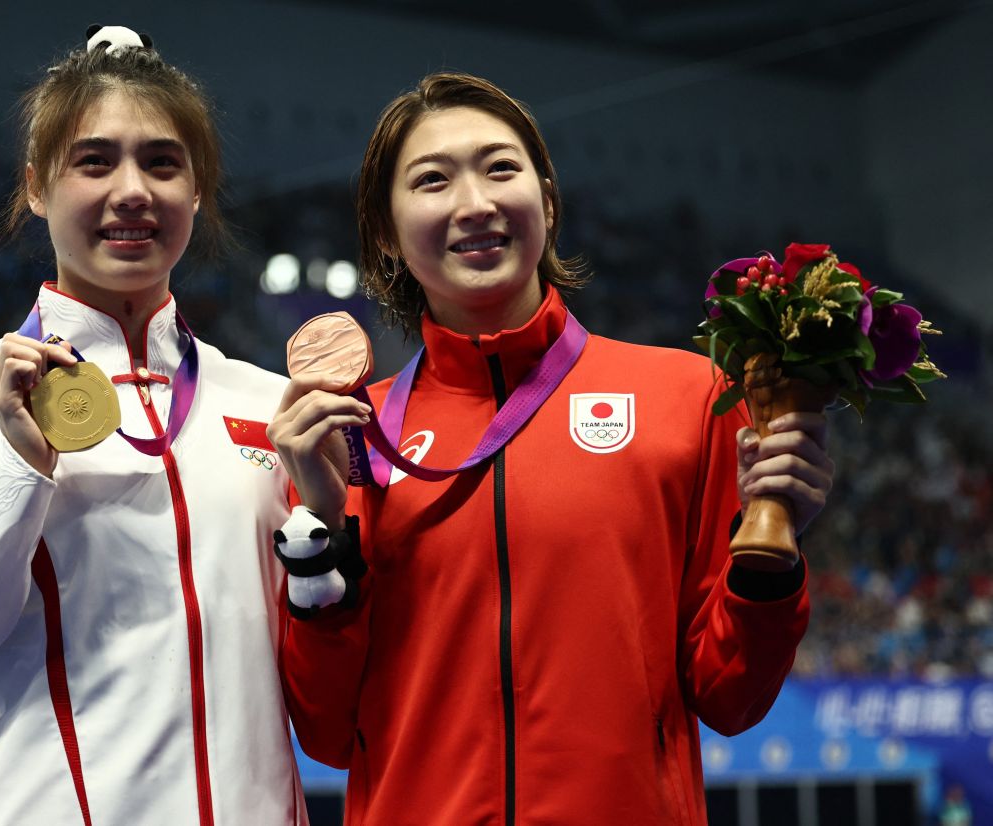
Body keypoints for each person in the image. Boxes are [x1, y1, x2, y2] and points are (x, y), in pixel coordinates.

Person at [269, 72, 834, 824]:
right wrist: (322, 525)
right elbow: (329, 733)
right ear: (384, 231)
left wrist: (774, 559)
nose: (474, 204)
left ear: (548, 200)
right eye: (432, 181)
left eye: (500, 169)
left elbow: (730, 695)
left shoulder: (688, 398)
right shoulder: (346, 438)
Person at [0, 26, 306, 826]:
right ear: (35, 186)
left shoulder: (275, 408)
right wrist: (16, 479)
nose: (132, 190)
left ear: (197, 190)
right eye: (94, 162)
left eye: (162, 163)